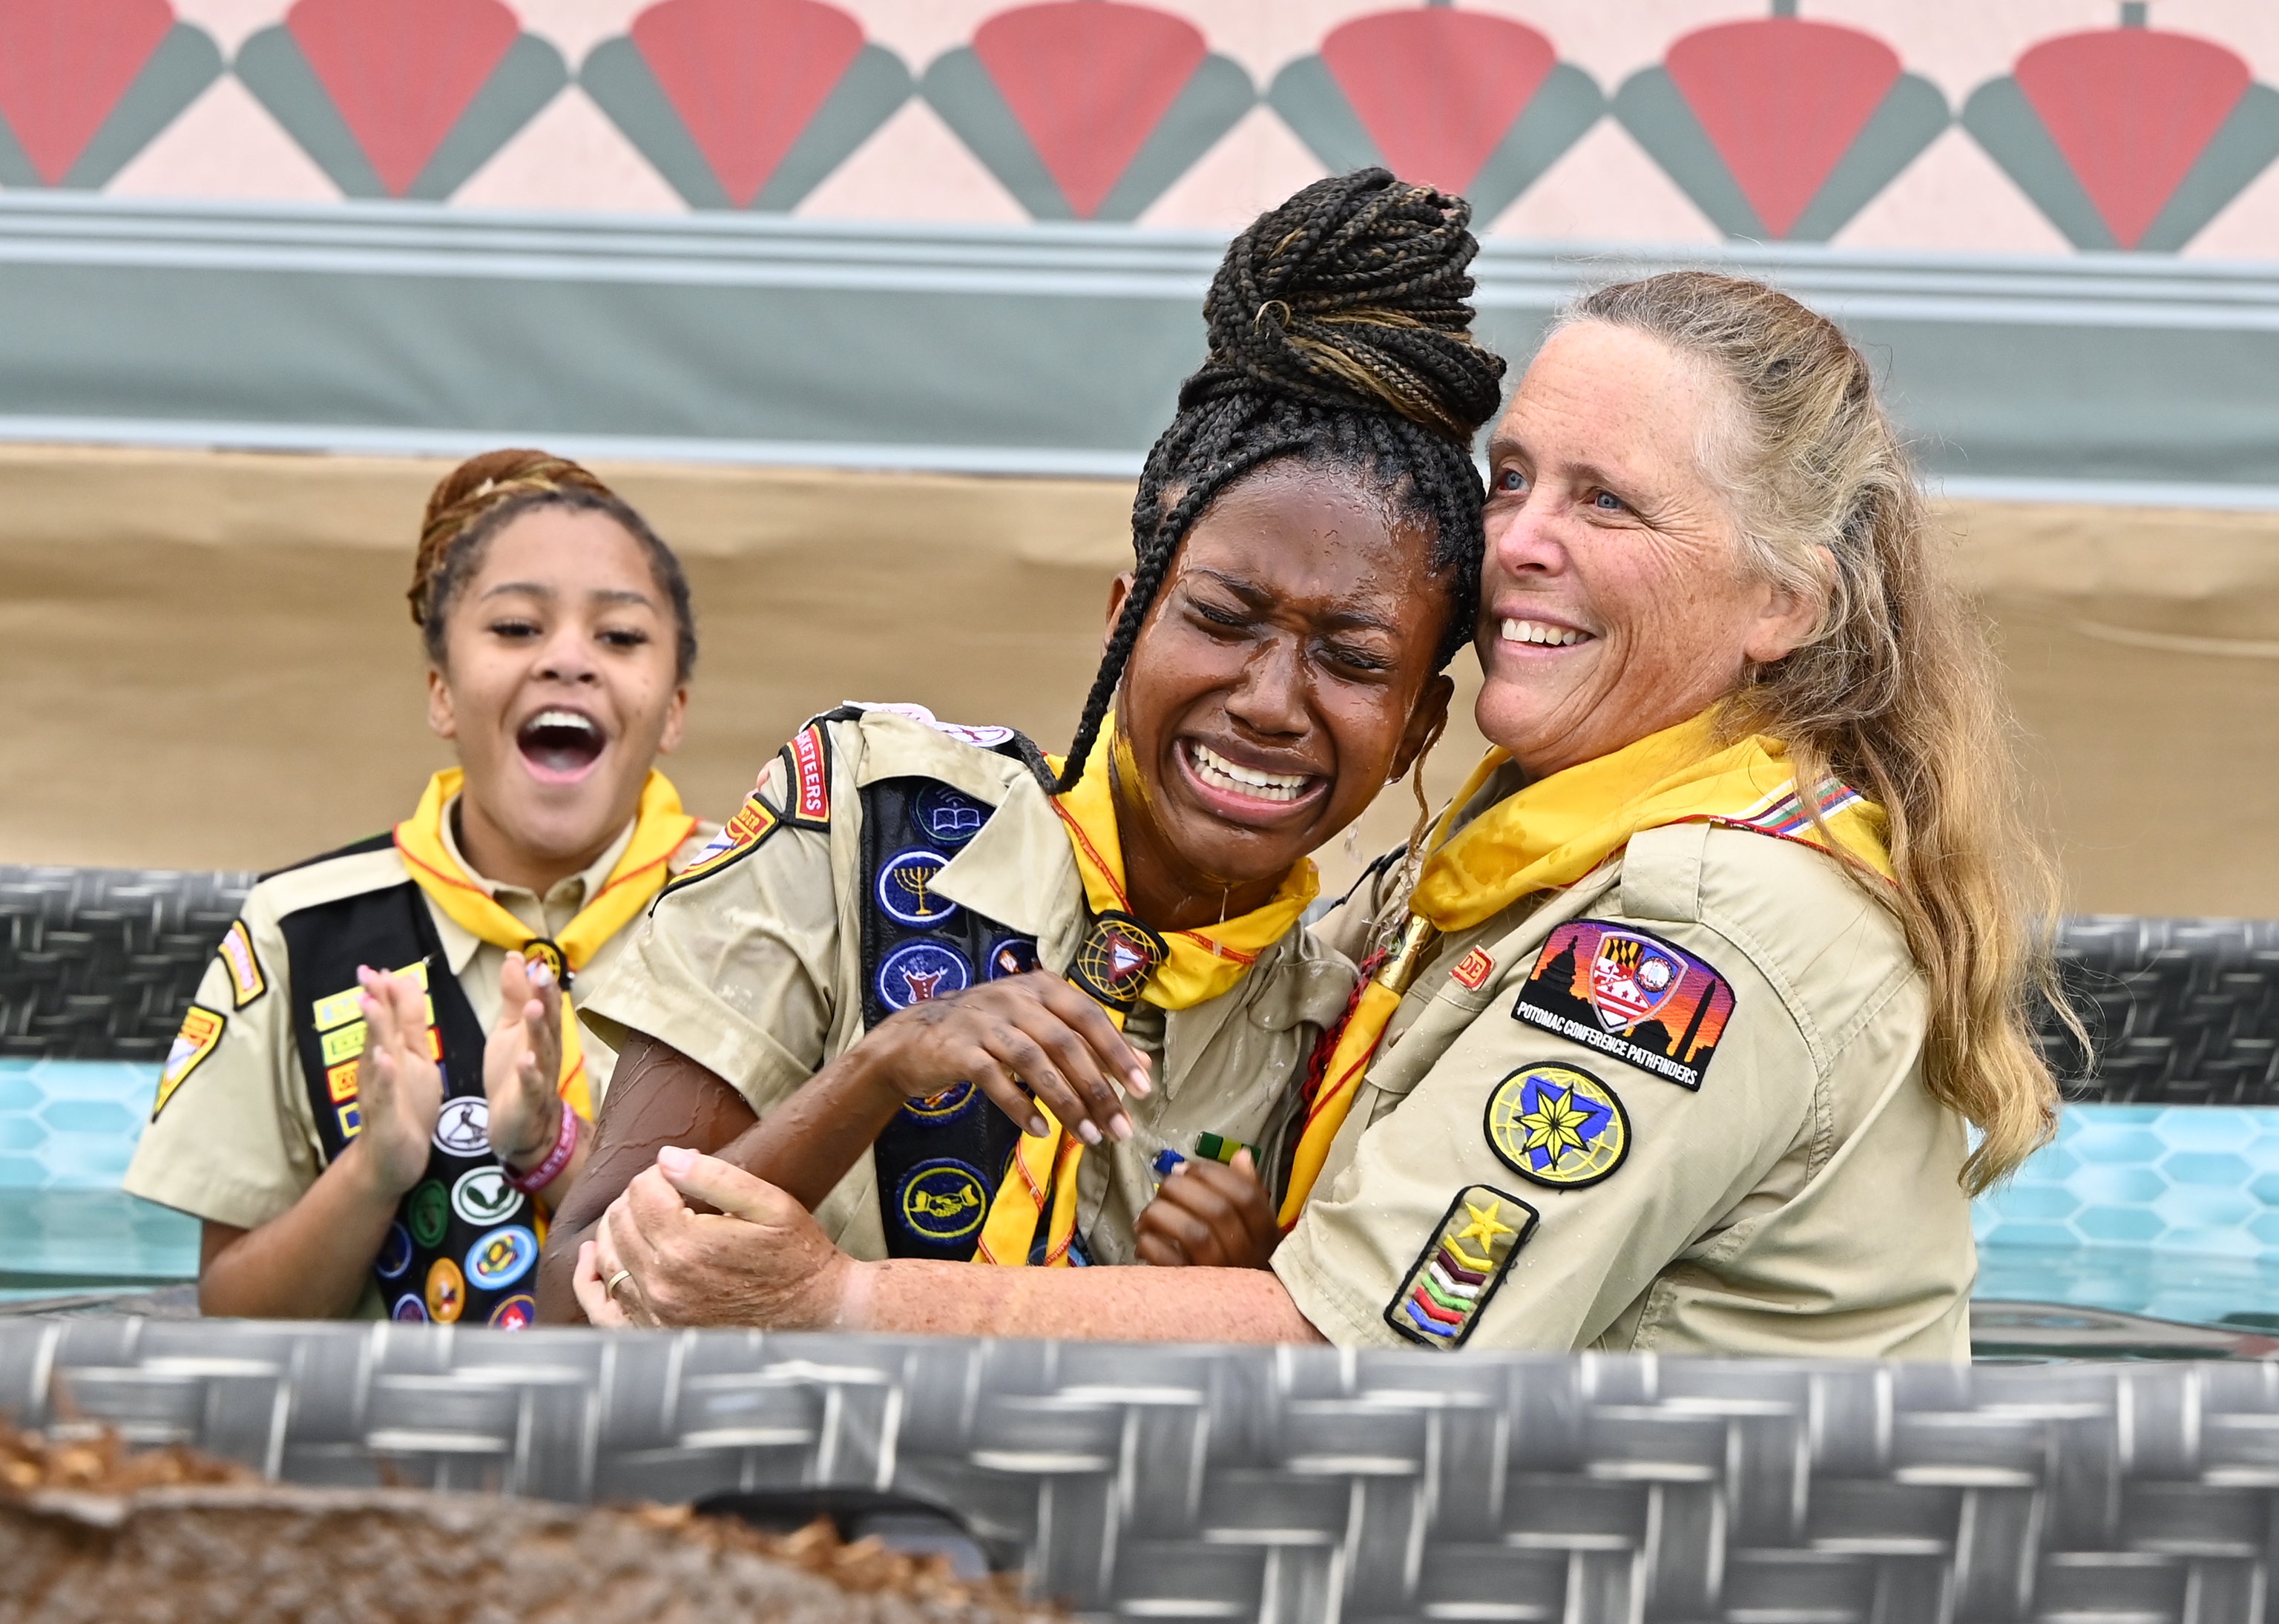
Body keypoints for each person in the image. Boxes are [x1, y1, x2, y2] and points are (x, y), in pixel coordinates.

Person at [575, 271, 2065, 1359]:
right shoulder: (1484, 877)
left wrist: (832, 1300)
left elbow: (1363, 1354)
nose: (1519, 546)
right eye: (1515, 479)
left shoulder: (1701, 921)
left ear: (1782, 603)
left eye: (1609, 503)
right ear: (1129, 608)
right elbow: (589, 1272)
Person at [536, 169, 1506, 1318]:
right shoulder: (862, 813)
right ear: (1124, 621)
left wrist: (1241, 1280)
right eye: (1222, 618)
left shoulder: (1338, 1031)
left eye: (1352, 660)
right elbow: (578, 1291)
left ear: (1417, 729)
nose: (1269, 699)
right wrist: (886, 1064)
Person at [123, 450, 711, 1324]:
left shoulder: (749, 909)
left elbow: (799, 1278)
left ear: (672, 709)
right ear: (441, 692)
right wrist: (375, 1170)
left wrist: (555, 1147)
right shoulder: (302, 929)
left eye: (621, 636)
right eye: (516, 628)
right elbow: (236, 1315)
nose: (567, 660)